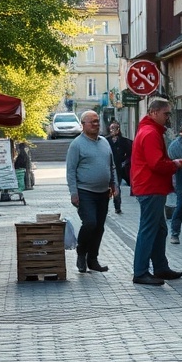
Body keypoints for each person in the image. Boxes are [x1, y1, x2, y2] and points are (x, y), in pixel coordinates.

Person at [130, 97, 182, 286]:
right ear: (154, 113)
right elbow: (156, 164)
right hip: (150, 187)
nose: (168, 117)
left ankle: (160, 267)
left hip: (150, 187)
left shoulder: (148, 130)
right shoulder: (150, 132)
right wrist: (175, 164)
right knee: (149, 229)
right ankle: (141, 272)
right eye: (166, 113)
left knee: (160, 229)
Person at [66, 110, 117, 274]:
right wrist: (74, 193)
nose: (96, 124)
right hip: (85, 192)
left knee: (99, 227)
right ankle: (81, 254)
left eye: (97, 121)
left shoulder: (104, 142)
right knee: (90, 223)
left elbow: (111, 166)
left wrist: (114, 184)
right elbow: (71, 170)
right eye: (91, 122)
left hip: (103, 192)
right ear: (83, 125)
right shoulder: (77, 144)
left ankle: (92, 259)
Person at [106, 122, 133, 213]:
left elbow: (130, 153)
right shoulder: (106, 141)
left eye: (115, 128)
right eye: (111, 128)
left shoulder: (124, 141)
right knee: (106, 188)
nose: (113, 130)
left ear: (118, 129)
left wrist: (124, 162)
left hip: (118, 168)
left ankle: (117, 206)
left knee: (116, 187)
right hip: (106, 167)